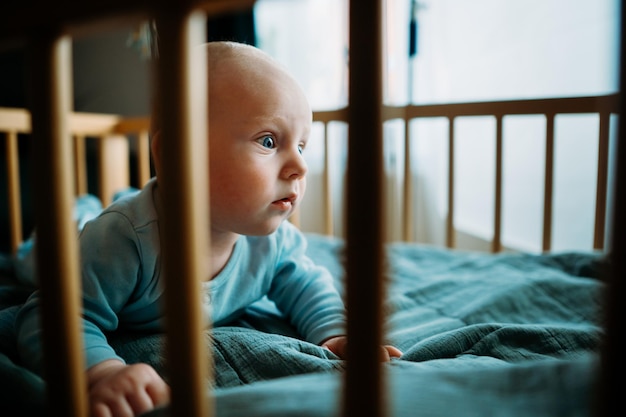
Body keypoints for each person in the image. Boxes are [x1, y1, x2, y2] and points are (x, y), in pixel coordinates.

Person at [16, 41, 402, 417]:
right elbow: (54, 317)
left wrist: (334, 334)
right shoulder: (123, 241)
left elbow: (306, 285)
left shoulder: (275, 244)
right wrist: (101, 372)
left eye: (301, 146)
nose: (299, 167)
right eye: (269, 141)